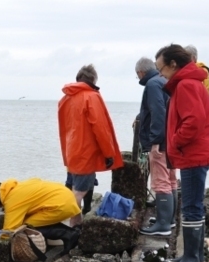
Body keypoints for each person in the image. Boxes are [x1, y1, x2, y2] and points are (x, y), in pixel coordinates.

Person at [155, 44, 209, 262]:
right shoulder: (193, 83)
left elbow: (193, 121)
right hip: (198, 152)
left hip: (193, 154)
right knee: (194, 204)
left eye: (161, 68)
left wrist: (175, 142)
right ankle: (195, 255)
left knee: (191, 205)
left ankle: (192, 258)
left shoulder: (186, 85)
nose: (160, 74)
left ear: (173, 64)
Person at [58, 64, 123, 223]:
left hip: (71, 150)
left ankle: (73, 225)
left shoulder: (65, 99)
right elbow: (101, 128)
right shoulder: (91, 97)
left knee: (75, 189)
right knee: (79, 193)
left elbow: (63, 128)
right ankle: (74, 227)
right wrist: (109, 153)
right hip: (86, 153)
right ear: (93, 80)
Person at [133, 56, 176, 236]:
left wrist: (155, 140)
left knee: (160, 182)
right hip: (171, 139)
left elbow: (158, 111)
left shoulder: (151, 85)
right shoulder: (164, 80)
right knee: (171, 179)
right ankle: (170, 220)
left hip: (160, 141)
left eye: (137, 75)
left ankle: (163, 224)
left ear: (141, 72)